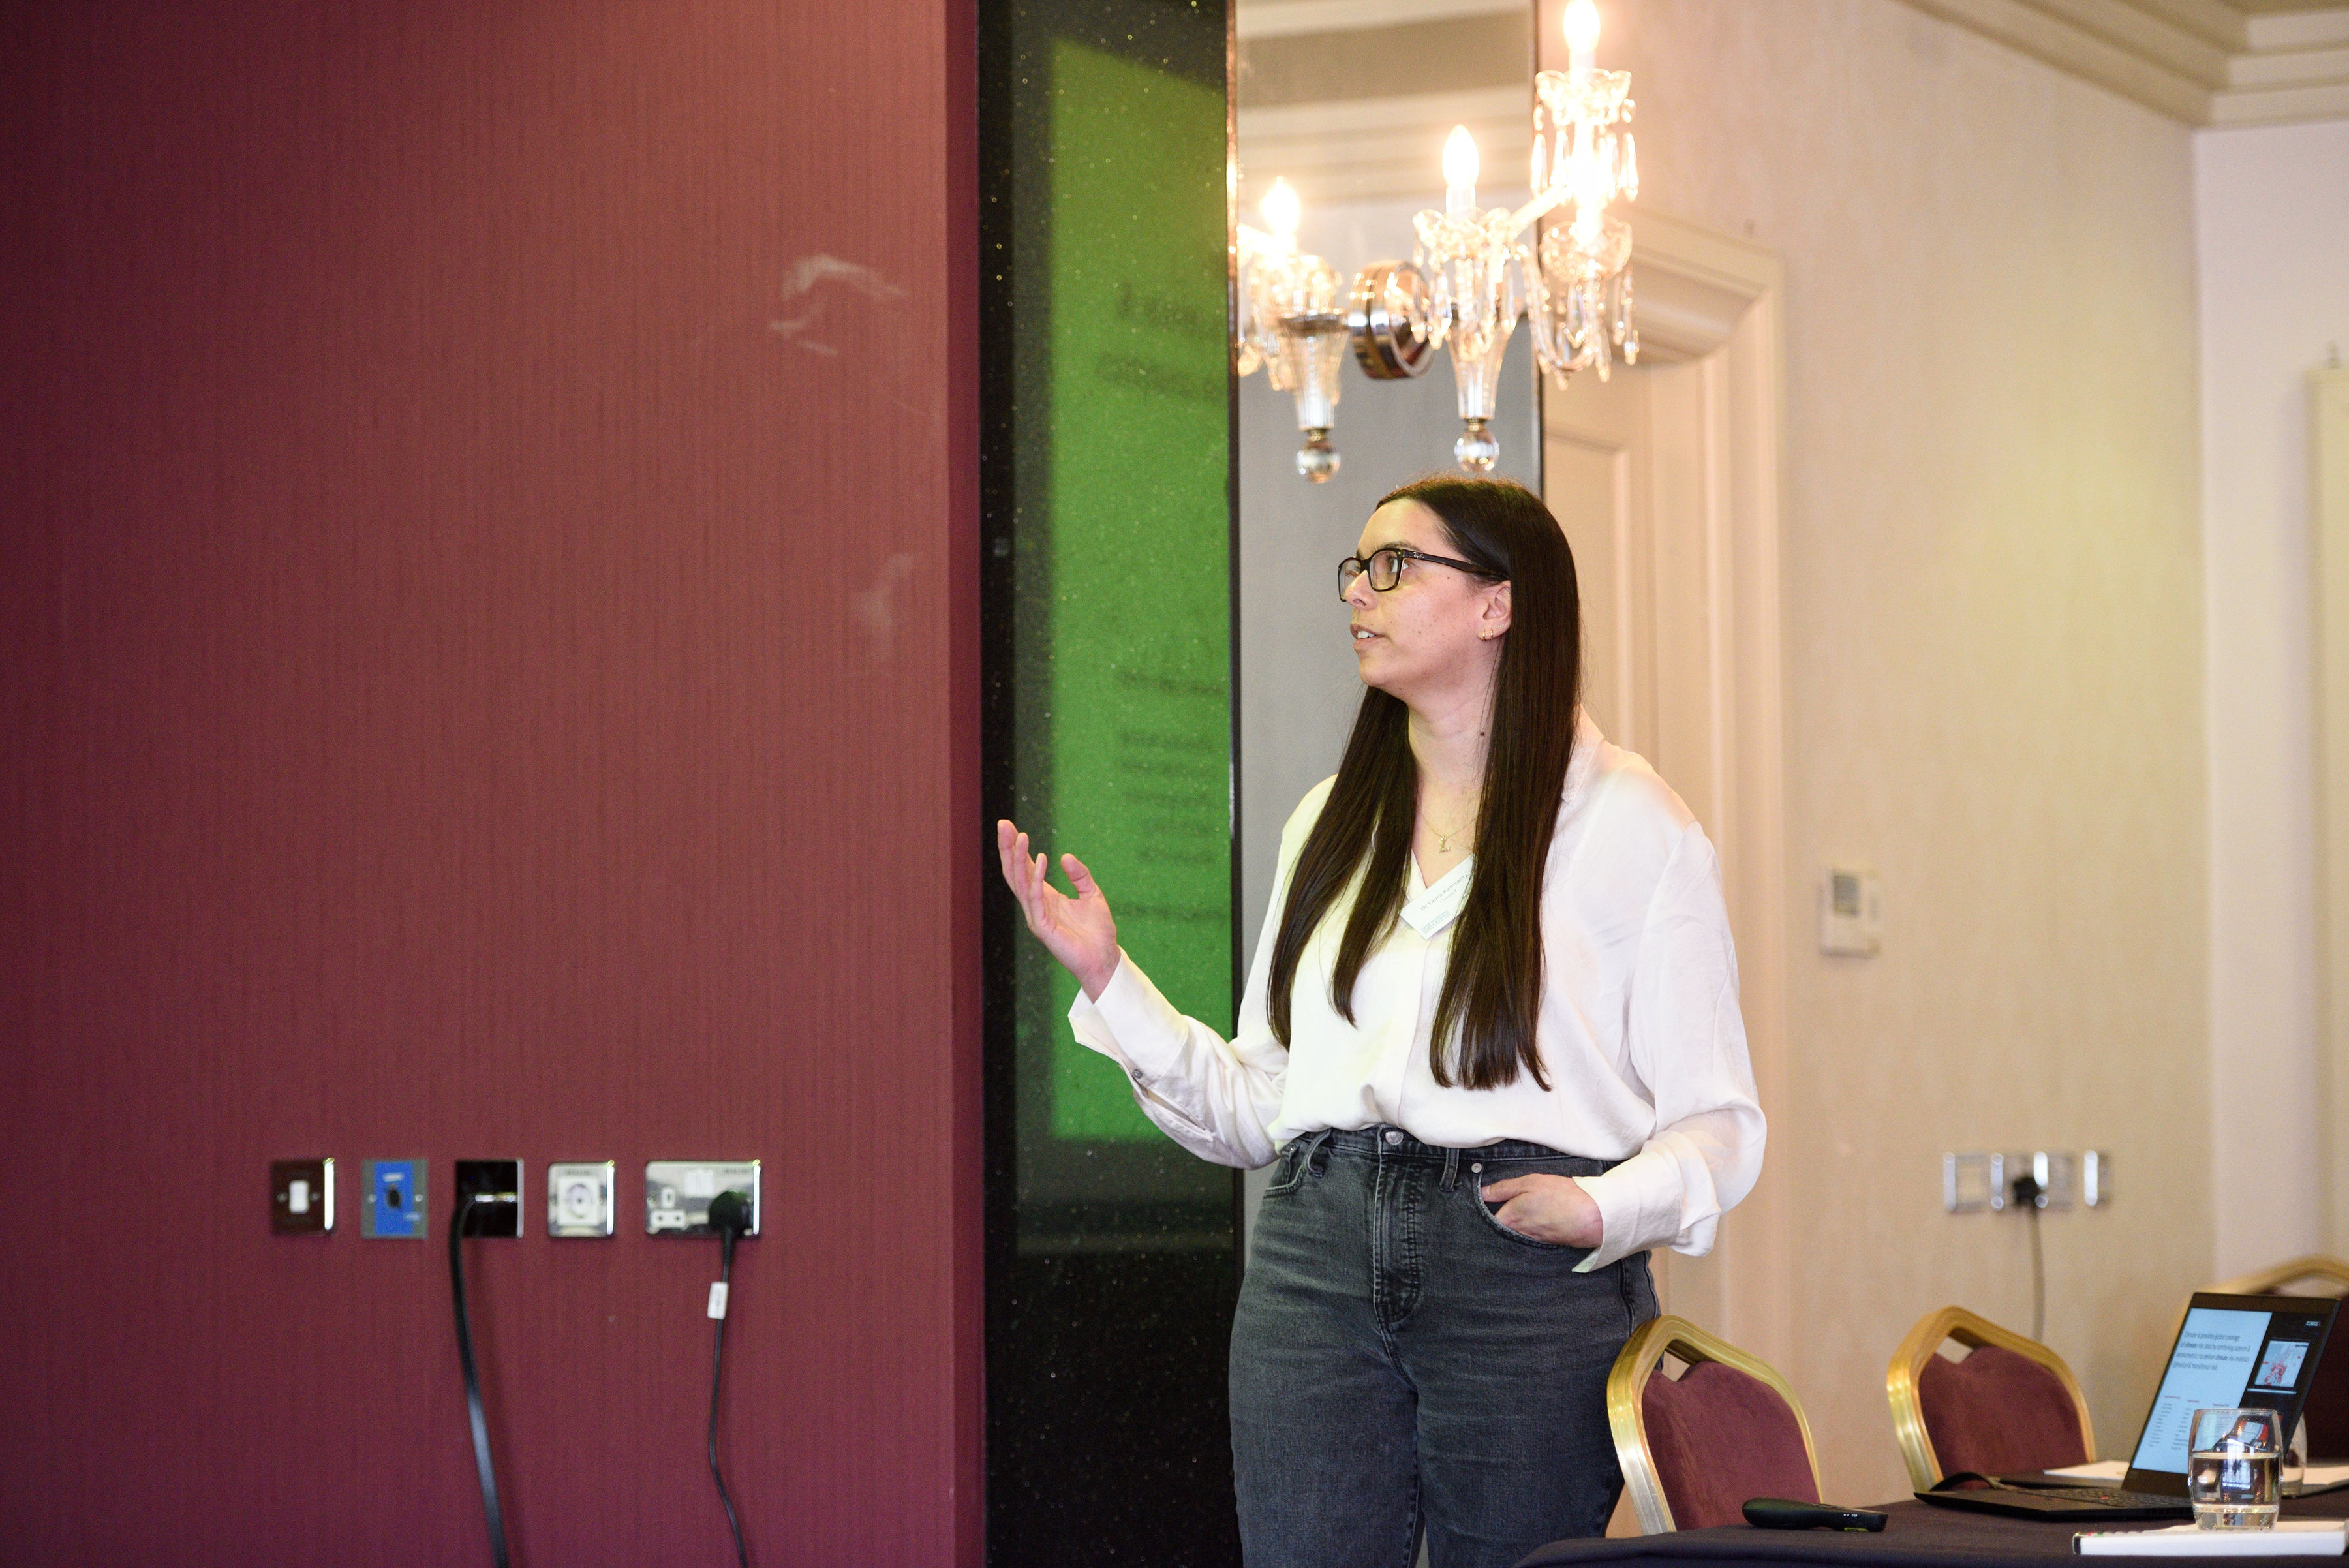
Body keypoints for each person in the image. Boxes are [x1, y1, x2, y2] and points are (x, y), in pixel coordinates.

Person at [996, 475, 1765, 1568]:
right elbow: (1257, 1110)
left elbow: (1721, 1127)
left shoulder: (1634, 824)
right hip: (1315, 1258)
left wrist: (1603, 1207)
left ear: (1498, 603)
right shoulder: (1328, 820)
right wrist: (1110, 978)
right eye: (1355, 569)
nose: (1359, 591)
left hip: (1521, 1272)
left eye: (1394, 566)